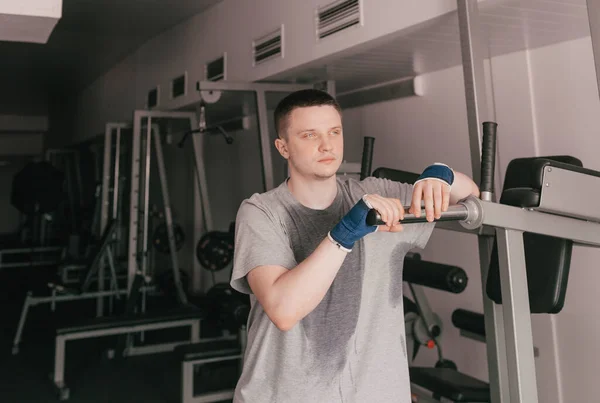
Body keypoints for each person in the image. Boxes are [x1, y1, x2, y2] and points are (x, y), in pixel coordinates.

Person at [230, 89, 480, 403]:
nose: (326, 145)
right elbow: (283, 310)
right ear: (283, 147)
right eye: (309, 135)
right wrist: (345, 231)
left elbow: (471, 196)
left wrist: (439, 176)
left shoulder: (378, 193)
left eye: (334, 132)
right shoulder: (261, 212)